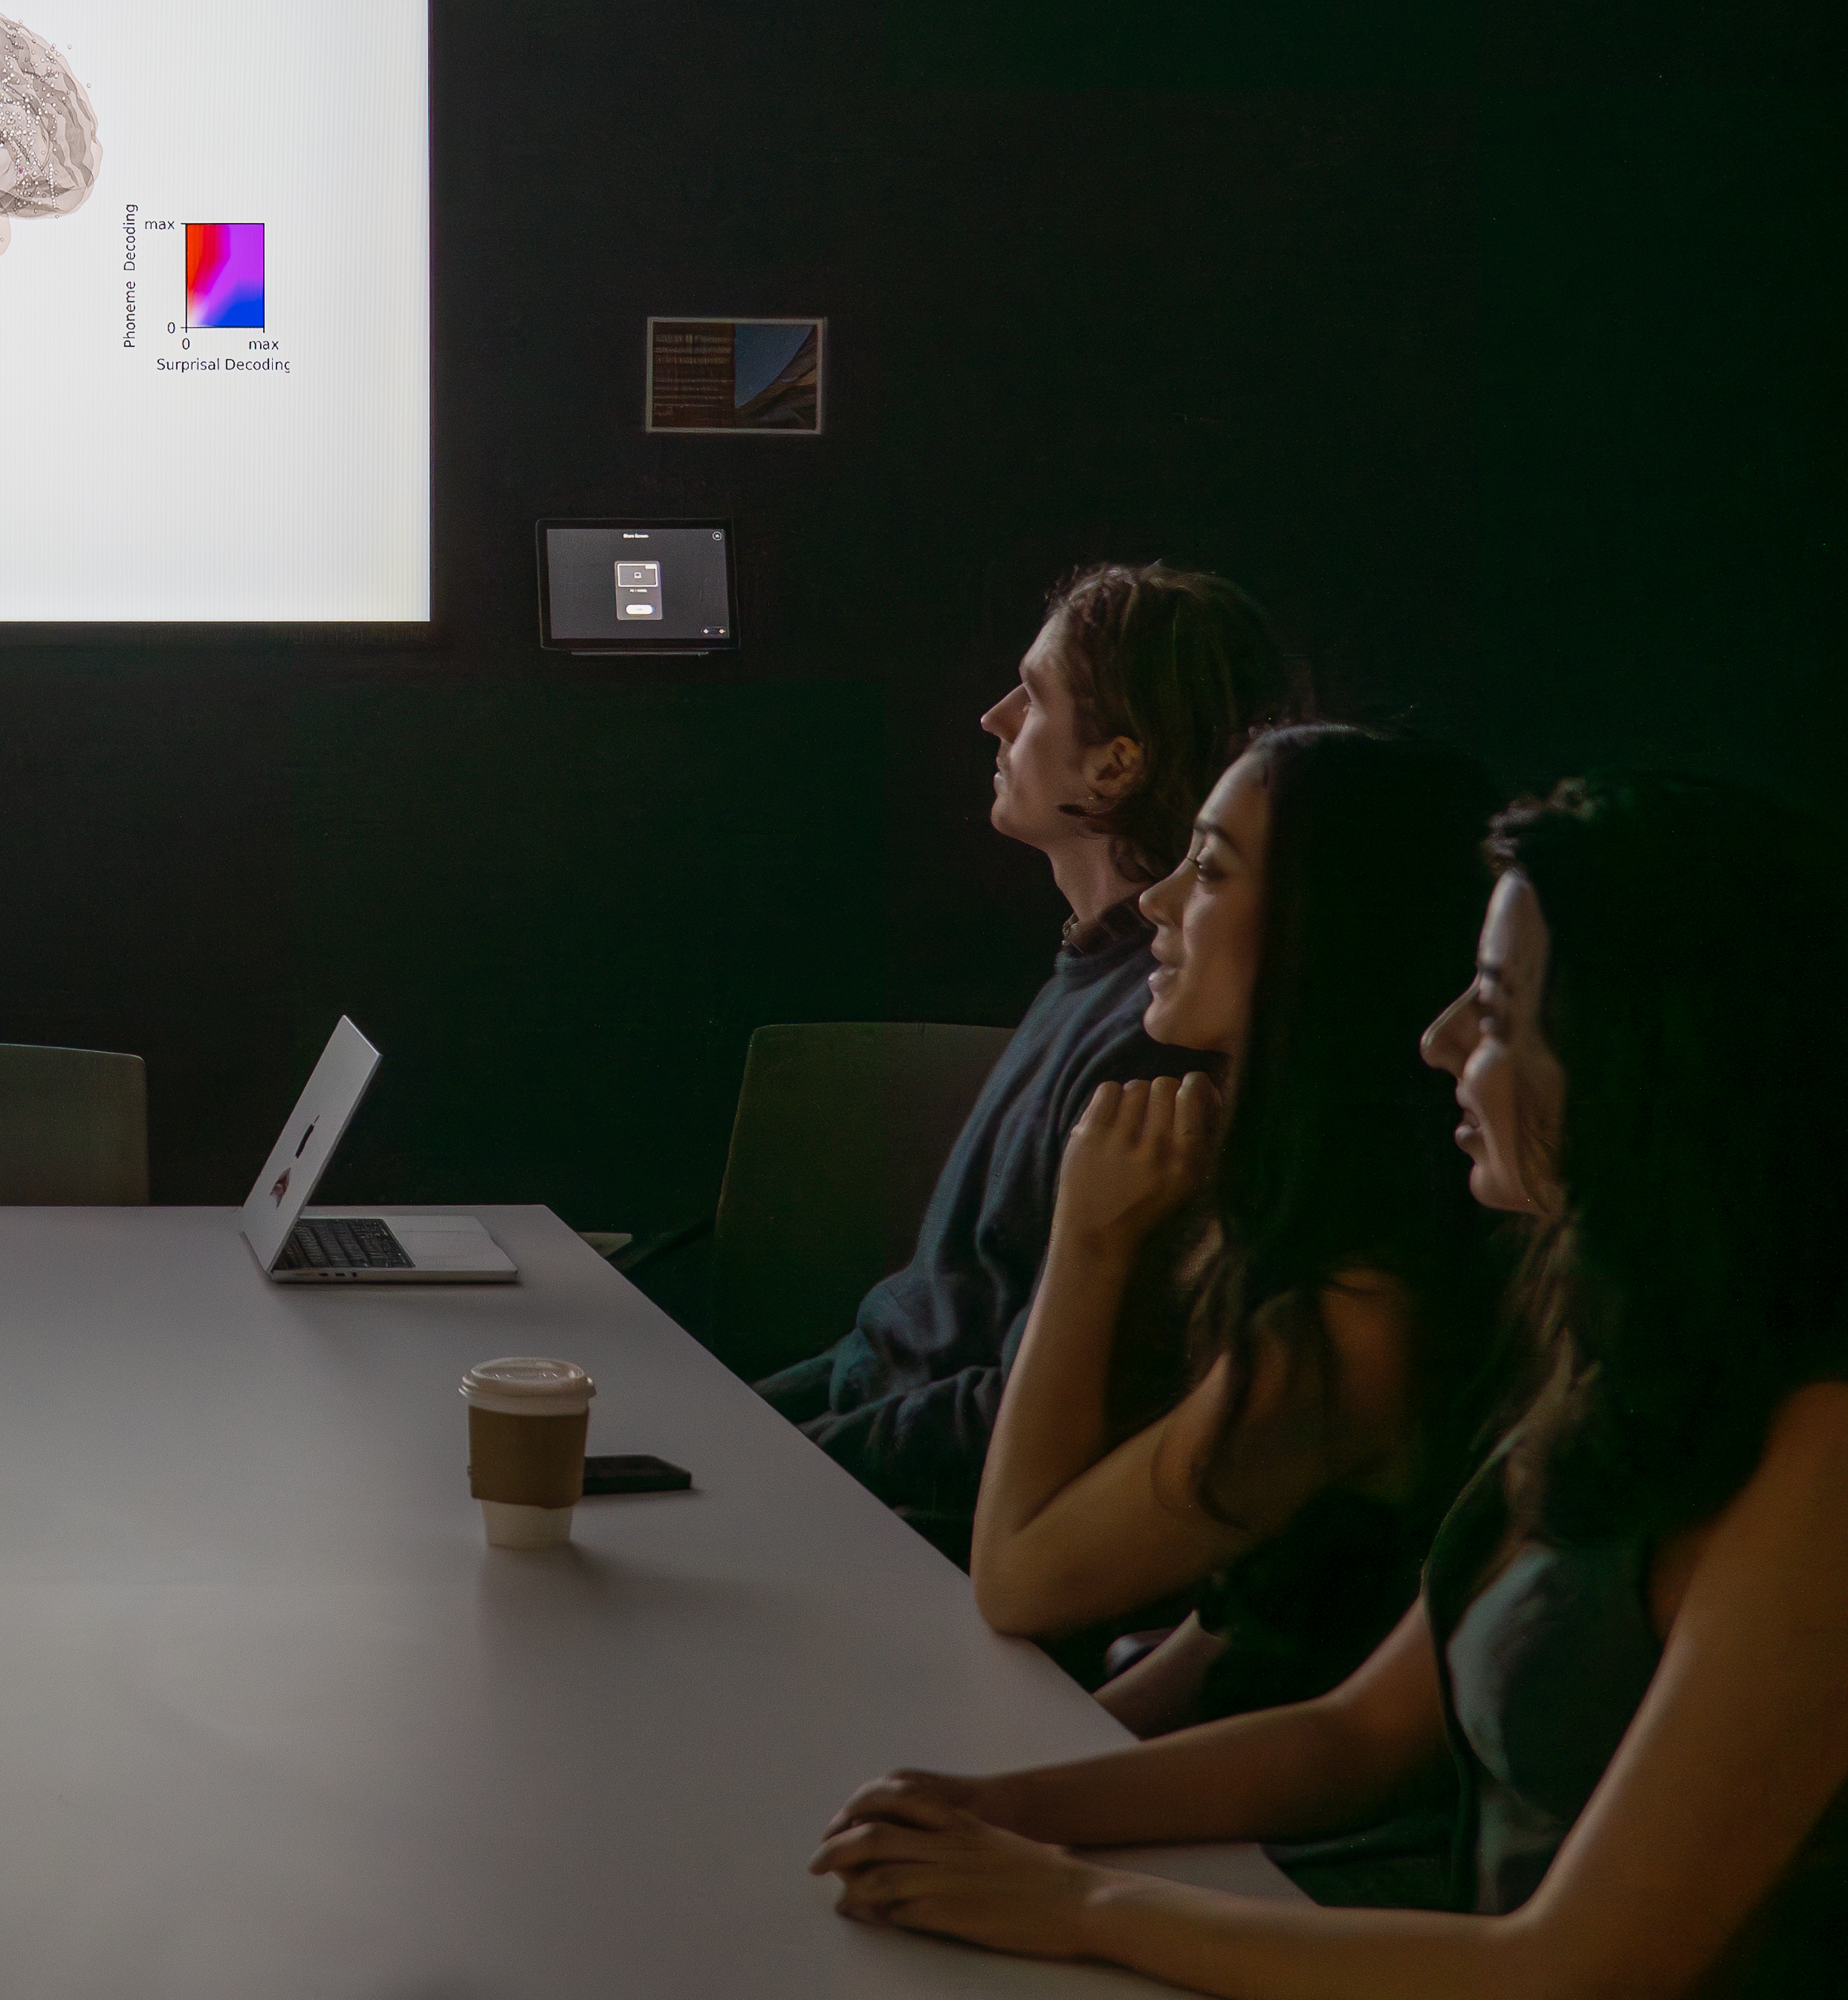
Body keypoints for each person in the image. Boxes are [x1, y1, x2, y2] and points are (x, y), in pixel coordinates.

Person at [814, 774, 1848, 1994]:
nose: (1439, 1040)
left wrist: (1075, 1899)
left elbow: (1580, 1962)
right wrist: (1001, 1803)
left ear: (1652, 1059)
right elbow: (1356, 1731)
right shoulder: (1599, 1342)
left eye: (1498, 1009)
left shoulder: (1816, 1452)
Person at [965, 726, 1511, 1751]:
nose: (1154, 902)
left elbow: (1017, 1578)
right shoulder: (1316, 1222)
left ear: (1326, 932)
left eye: (1207, 868)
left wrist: (1087, 1241)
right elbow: (1245, 1623)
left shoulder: (1349, 1322)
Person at [760, 563, 1300, 1543]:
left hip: (905, 1513)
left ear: (1113, 767)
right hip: (855, 1441)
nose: (992, 718)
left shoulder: (1158, 1037)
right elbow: (905, 1336)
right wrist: (732, 1425)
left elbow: (1014, 1404)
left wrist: (758, 1463)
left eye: (1034, 696)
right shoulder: (1093, 970)